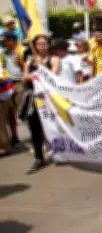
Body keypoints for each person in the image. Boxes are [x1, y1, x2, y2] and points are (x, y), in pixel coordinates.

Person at [22, 35, 60, 174]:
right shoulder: (29, 60)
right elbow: (24, 78)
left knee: (53, 127)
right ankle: (39, 157)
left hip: (49, 99)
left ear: (49, 45)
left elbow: (53, 76)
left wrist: (42, 66)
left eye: (45, 43)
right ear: (35, 45)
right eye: (39, 44)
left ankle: (59, 151)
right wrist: (29, 76)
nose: (42, 46)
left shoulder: (54, 59)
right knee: (35, 128)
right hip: (34, 99)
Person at [1, 30, 24, 147]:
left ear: (11, 40)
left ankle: (38, 136)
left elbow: (28, 67)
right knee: (10, 113)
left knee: (23, 111)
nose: (3, 44)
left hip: (20, 83)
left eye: (4, 41)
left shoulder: (21, 51)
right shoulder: (2, 53)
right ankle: (15, 136)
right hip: (8, 85)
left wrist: (20, 63)